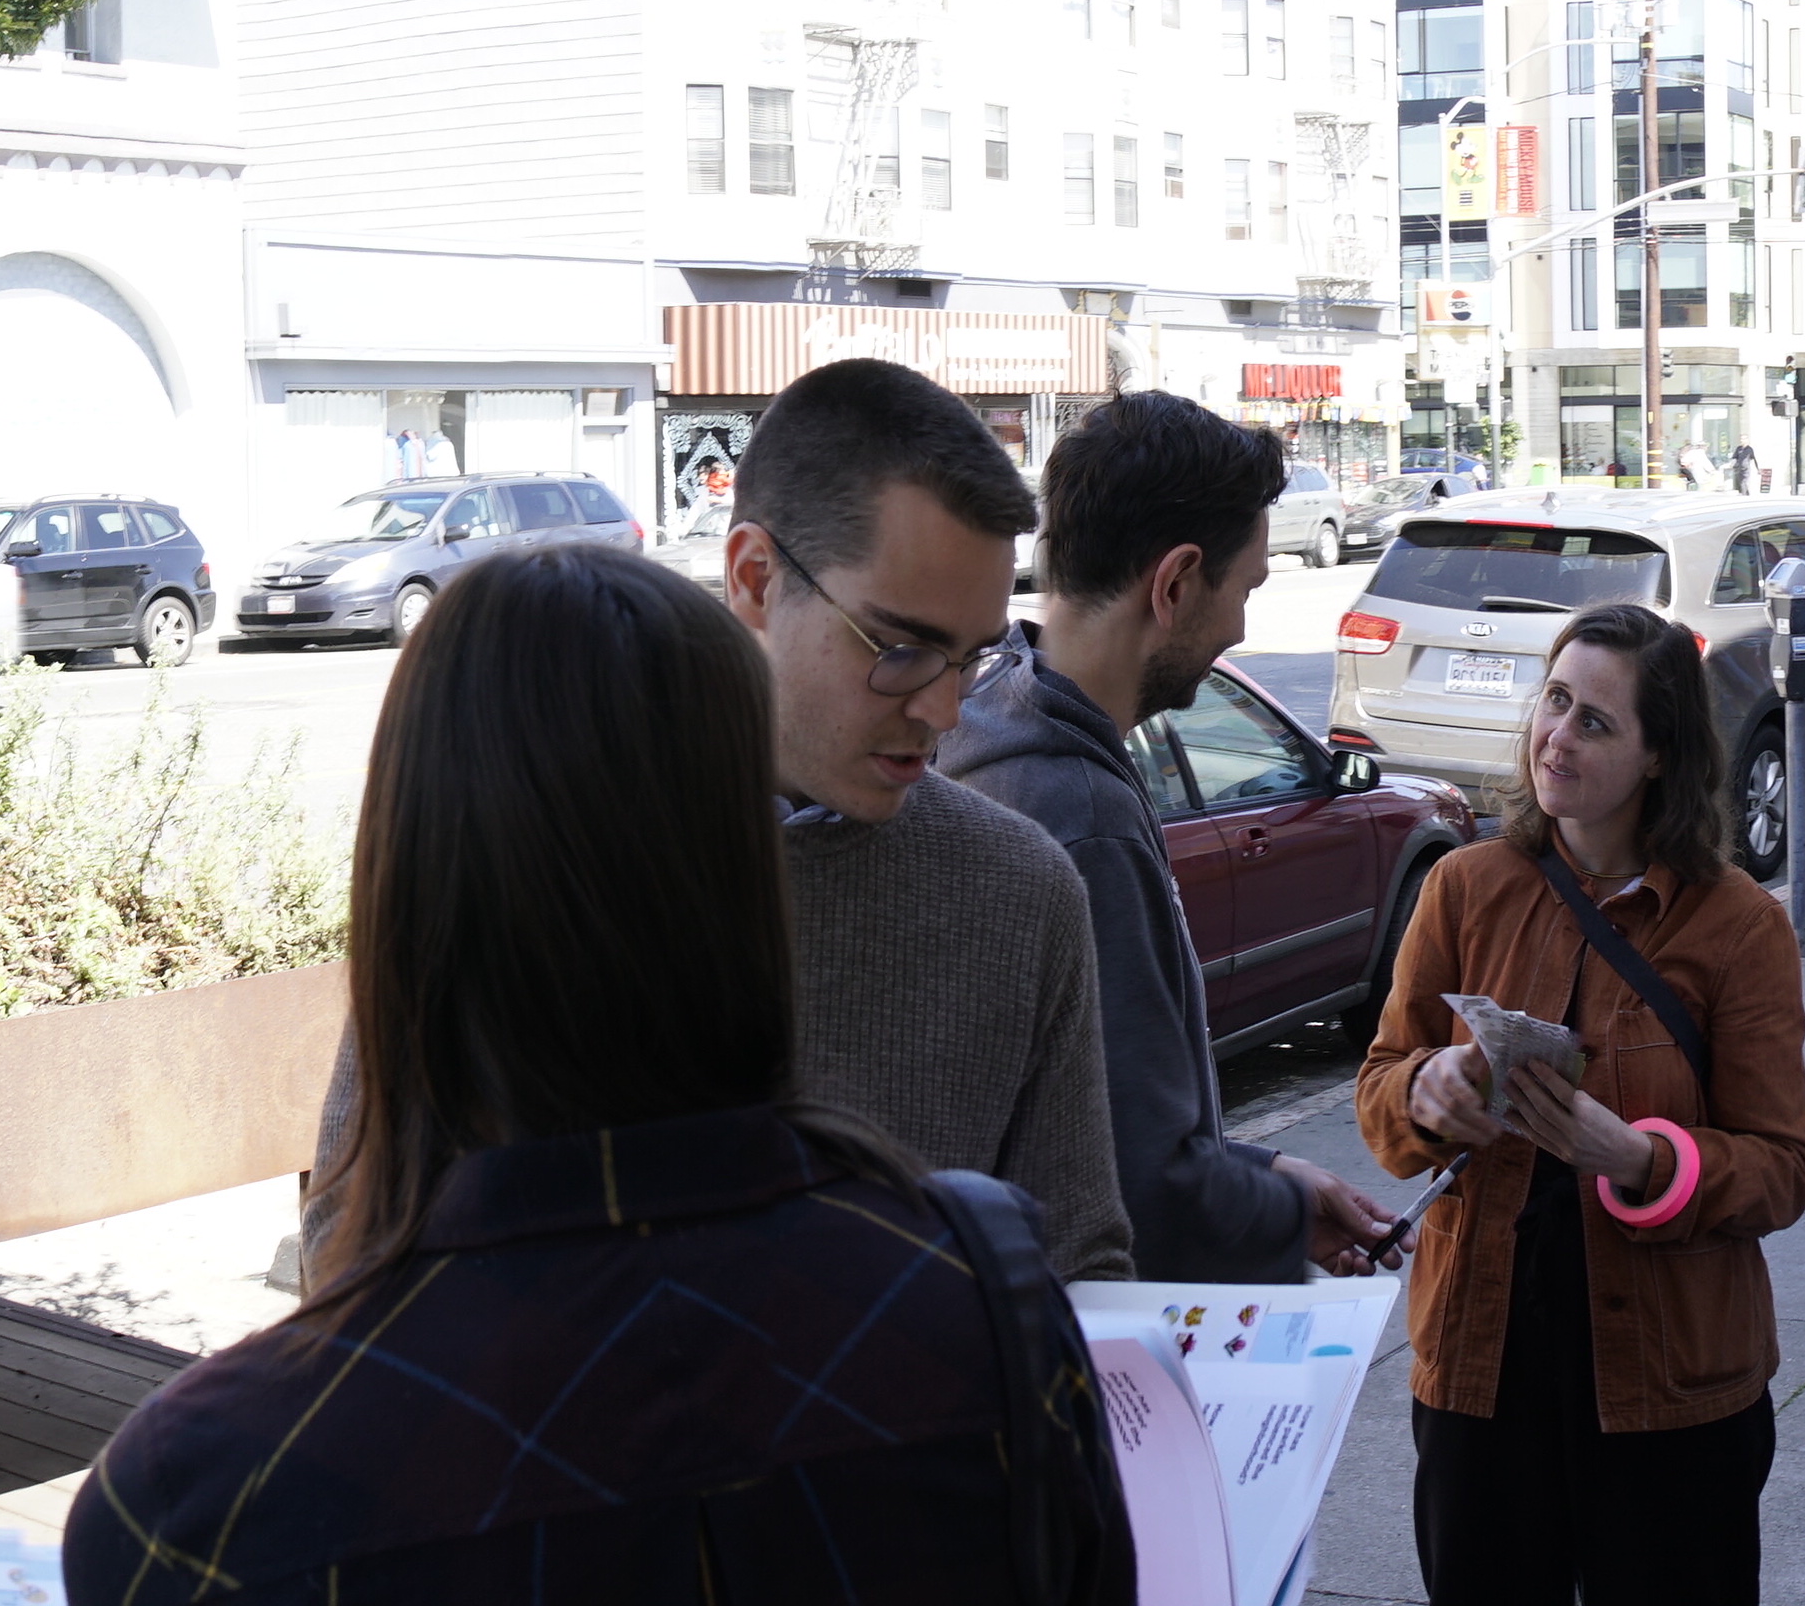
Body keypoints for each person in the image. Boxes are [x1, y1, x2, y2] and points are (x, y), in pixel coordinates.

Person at [71, 540, 1131, 1601]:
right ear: (746, 879)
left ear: (410, 886)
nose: (942, 709)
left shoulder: (193, 1499)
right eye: (900, 646)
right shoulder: (985, 1321)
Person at [1359, 603, 1805, 1604]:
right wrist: (1426, 1090)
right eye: (1552, 701)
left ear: (1658, 756)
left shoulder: (1734, 926)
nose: (1553, 737)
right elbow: (1378, 1093)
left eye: (1593, 722)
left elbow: (1780, 1164)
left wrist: (1642, 1159)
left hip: (1668, 1381)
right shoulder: (1465, 888)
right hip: (1483, 1364)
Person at [954, 392, 1406, 1282]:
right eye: (1244, 590)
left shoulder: (989, 716)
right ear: (1175, 583)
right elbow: (1141, 1186)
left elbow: (1092, 1118)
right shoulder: (1082, 817)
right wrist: (1275, 1211)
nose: (1240, 626)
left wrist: (1263, 1168)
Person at [704, 358, 1136, 1278]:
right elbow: (370, 1243)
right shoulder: (553, 859)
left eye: (974, 657)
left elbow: (1080, 1266)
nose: (945, 714)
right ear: (753, 579)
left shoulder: (1021, 892)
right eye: (901, 649)